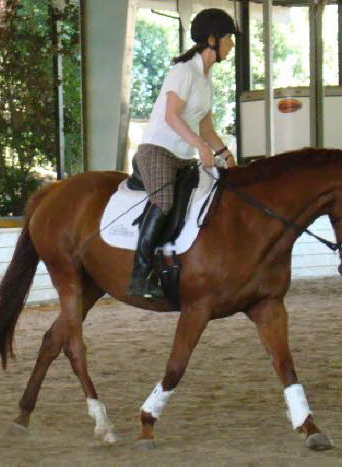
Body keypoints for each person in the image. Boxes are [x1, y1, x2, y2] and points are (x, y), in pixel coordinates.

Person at [128, 8, 238, 299]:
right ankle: (139, 274)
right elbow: (171, 116)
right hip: (156, 151)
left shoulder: (206, 81)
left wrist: (224, 152)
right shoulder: (183, 71)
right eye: (229, 38)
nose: (232, 45)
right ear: (213, 39)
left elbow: (206, 127)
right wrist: (200, 147)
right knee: (164, 202)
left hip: (181, 157)